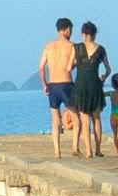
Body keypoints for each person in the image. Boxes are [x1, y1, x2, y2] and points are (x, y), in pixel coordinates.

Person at [70, 22, 112, 159]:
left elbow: (68, 67)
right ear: (94, 34)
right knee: (97, 118)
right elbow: (108, 69)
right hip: (95, 84)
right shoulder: (101, 49)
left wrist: (79, 63)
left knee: (84, 120)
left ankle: (88, 151)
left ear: (83, 34)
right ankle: (98, 149)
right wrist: (103, 78)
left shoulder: (76, 48)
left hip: (81, 84)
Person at [38, 18, 78, 158]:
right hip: (66, 83)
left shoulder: (48, 47)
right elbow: (74, 64)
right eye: (70, 30)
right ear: (67, 30)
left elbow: (41, 68)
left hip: (53, 84)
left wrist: (44, 85)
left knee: (55, 120)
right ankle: (75, 147)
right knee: (75, 117)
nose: (71, 33)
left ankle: (57, 151)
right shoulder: (72, 46)